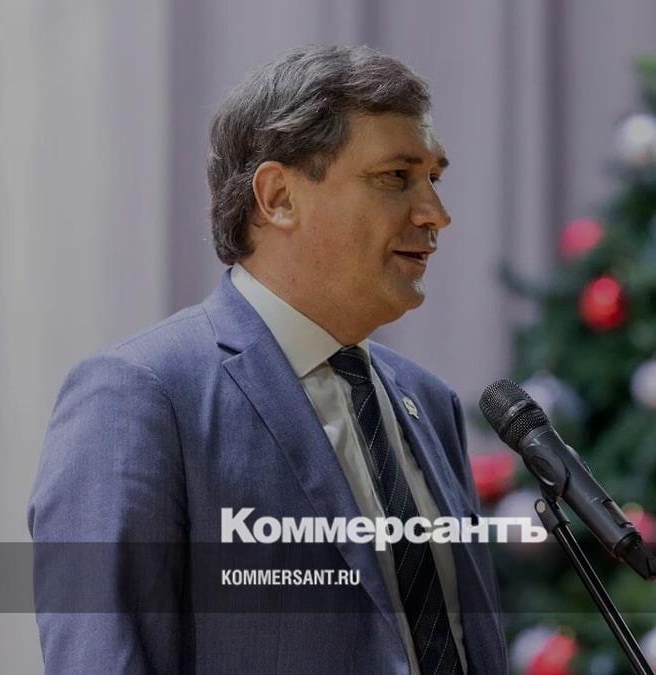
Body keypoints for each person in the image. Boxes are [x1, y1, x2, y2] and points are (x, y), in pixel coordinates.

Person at [28, 44, 507, 674]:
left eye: (434, 179)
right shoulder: (139, 395)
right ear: (278, 196)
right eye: (396, 177)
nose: (435, 215)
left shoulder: (431, 403)